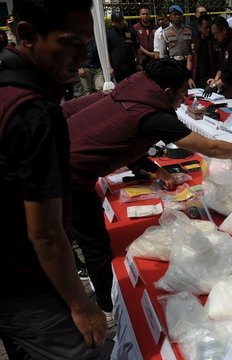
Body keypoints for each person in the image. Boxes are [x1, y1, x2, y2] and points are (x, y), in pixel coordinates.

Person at [64, 59, 232, 321]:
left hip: (66, 154)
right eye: (183, 94)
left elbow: (122, 137)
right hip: (68, 174)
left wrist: (156, 170)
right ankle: (109, 308)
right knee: (95, 244)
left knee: (78, 235)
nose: (184, 99)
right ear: (166, 92)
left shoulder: (134, 88)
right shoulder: (153, 115)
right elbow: (212, 149)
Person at [0, 0, 107, 358]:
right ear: (28, 35)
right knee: (85, 350)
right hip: (24, 282)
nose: (81, 58)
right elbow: (45, 233)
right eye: (69, 44)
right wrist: (81, 306)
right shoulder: (32, 113)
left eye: (86, 45)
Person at [204, 16, 232, 99]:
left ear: (224, 30)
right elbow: (221, 66)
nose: (214, 36)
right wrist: (215, 80)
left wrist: (214, 86)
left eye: (215, 33)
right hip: (229, 88)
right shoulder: (223, 43)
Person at [107, 11, 142, 83]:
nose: (120, 23)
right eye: (117, 21)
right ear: (113, 22)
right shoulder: (109, 34)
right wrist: (110, 68)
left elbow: (137, 48)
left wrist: (139, 63)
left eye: (121, 20)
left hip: (131, 67)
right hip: (118, 69)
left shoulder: (131, 32)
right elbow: (108, 52)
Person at [187, 14, 217, 89]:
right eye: (206, 27)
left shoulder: (215, 41)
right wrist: (188, 77)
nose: (208, 30)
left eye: (209, 27)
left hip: (212, 79)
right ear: (199, 27)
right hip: (197, 80)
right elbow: (190, 60)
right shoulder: (194, 42)